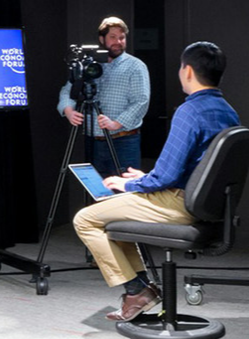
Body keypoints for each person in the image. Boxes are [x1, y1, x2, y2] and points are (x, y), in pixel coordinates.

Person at [73, 42, 240, 321]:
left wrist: (127, 184)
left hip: (178, 203)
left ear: (187, 71)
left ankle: (137, 289)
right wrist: (144, 179)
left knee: (86, 219)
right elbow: (191, 167)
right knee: (112, 217)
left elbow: (166, 176)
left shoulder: (190, 112)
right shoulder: (227, 111)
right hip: (204, 204)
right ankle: (140, 289)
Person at [57, 17, 150, 177]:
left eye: (122, 37)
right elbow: (67, 90)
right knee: (97, 191)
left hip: (123, 141)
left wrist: (116, 123)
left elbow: (141, 101)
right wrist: (68, 110)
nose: (118, 42)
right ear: (102, 39)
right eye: (112, 37)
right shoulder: (88, 65)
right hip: (93, 141)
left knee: (124, 191)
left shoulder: (135, 66)